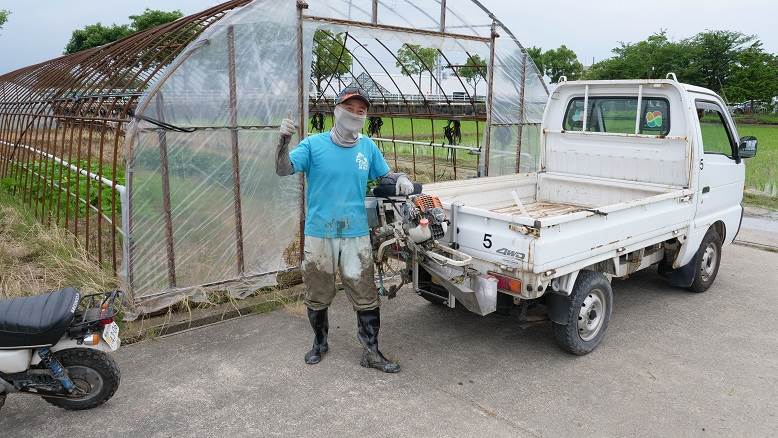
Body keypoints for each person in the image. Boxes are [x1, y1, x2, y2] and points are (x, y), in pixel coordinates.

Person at [276, 87, 415, 373]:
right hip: (319, 232)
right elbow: (283, 169)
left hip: (355, 232)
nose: (355, 114)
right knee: (318, 292)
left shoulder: (367, 147)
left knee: (365, 294)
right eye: (349, 108)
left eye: (360, 111)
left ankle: (371, 351)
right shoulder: (313, 145)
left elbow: (384, 174)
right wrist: (283, 141)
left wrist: (400, 178)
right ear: (336, 110)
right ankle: (319, 343)